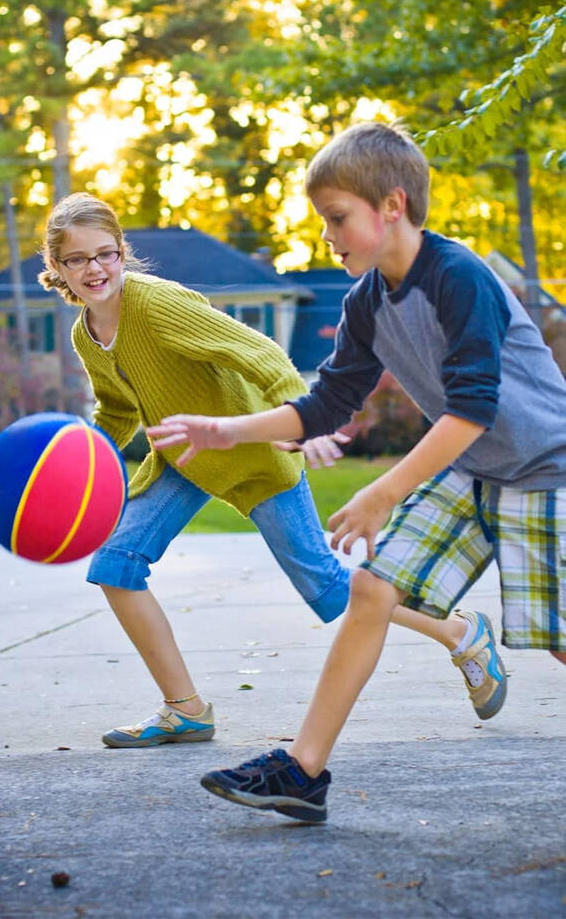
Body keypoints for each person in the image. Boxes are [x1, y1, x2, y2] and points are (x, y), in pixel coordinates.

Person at [148, 121, 566, 822]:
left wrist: (381, 490)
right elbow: (326, 404)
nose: (328, 235)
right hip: (469, 468)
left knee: (558, 639)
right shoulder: (367, 300)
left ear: (392, 206)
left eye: (338, 218)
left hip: (544, 468)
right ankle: (302, 771)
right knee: (373, 588)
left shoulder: (459, 278)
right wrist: (227, 429)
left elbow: (468, 410)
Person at [39, 190, 498, 751]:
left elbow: (261, 354)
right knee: (115, 564)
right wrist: (81, 463)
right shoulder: (84, 333)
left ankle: (460, 632)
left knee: (327, 589)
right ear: (56, 268)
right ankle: (185, 709)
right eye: (78, 259)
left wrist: (301, 424)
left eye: (106, 253)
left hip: (254, 449)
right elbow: (116, 409)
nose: (95, 269)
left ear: (122, 252)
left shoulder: (154, 303)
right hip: (185, 457)